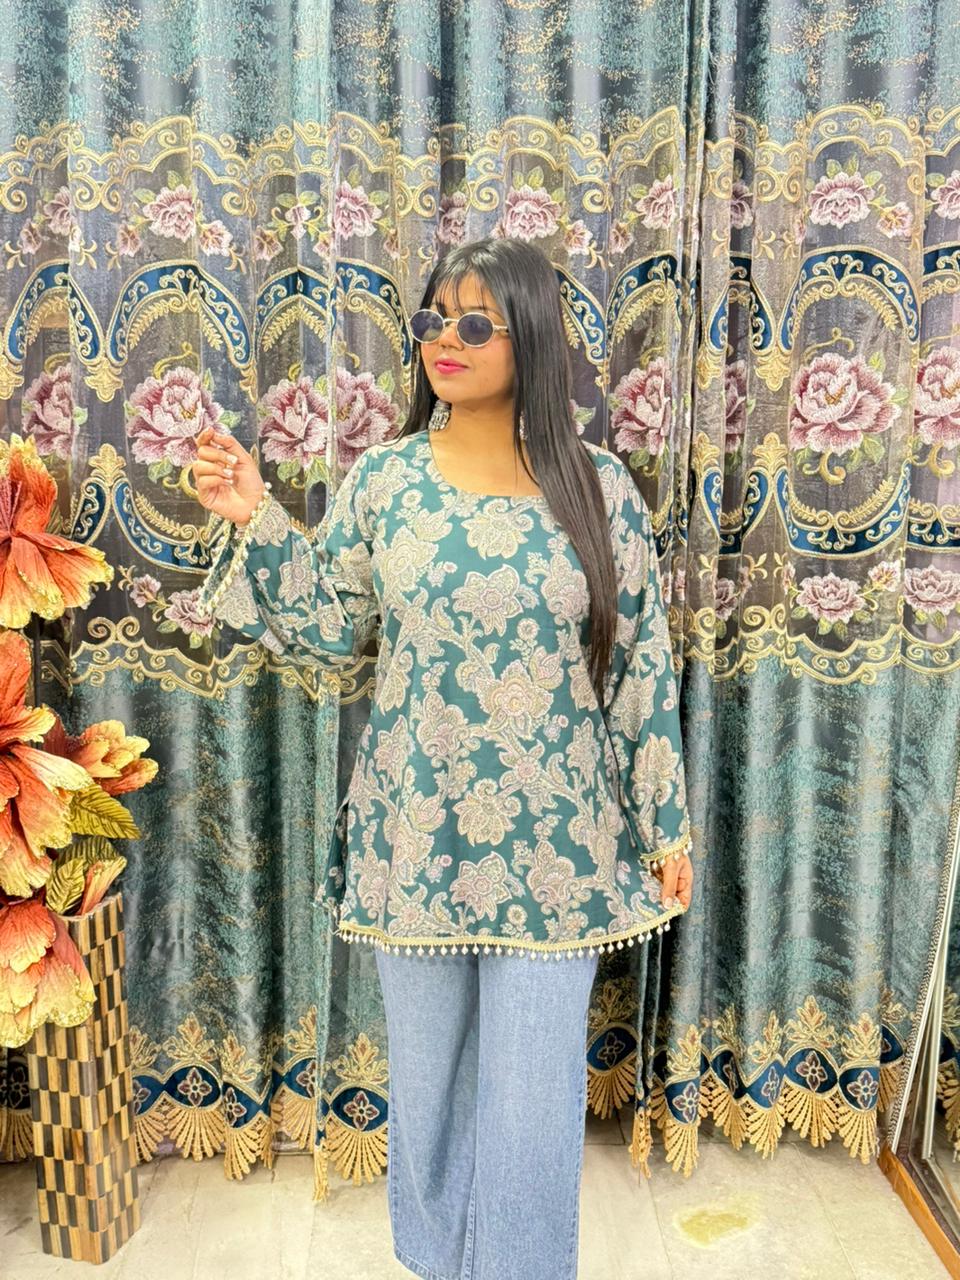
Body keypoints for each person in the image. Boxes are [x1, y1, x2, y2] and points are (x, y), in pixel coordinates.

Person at [191, 237, 693, 1280]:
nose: (444, 341)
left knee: (532, 1103)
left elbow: (638, 664)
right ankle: (436, 1263)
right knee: (424, 1093)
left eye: (474, 322)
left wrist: (664, 825)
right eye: (431, 320)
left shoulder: (598, 488)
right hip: (415, 837)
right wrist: (257, 517)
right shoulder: (386, 482)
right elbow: (332, 629)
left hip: (557, 851)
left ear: (531, 336)